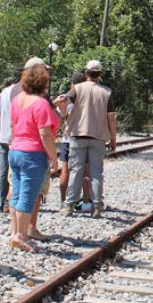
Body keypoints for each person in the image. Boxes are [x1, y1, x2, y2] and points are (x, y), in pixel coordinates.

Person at [8, 59, 60, 251]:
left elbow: (13, 126)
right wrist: (53, 157)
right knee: (28, 196)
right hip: (33, 153)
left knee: (17, 193)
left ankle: (14, 232)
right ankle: (22, 235)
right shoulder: (40, 104)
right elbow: (45, 134)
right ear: (43, 82)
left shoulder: (17, 100)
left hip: (15, 150)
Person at [60, 59, 117, 219]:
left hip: (77, 135)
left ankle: (69, 206)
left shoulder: (76, 89)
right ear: (100, 74)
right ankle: (97, 206)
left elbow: (65, 103)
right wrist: (113, 138)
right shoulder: (106, 92)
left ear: (86, 73)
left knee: (75, 171)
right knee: (96, 173)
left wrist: (62, 113)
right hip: (98, 137)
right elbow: (111, 118)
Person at [57, 72, 92, 208]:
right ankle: (86, 203)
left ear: (72, 83)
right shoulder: (87, 98)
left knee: (65, 170)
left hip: (68, 139)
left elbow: (61, 118)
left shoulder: (65, 98)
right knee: (85, 171)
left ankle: (63, 201)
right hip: (83, 136)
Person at [0, 68, 22, 212]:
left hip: (3, 136)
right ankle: (16, 201)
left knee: (3, 171)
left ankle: (2, 201)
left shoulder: (4, 92)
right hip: (17, 137)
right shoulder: (23, 93)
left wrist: (5, 120)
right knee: (17, 171)